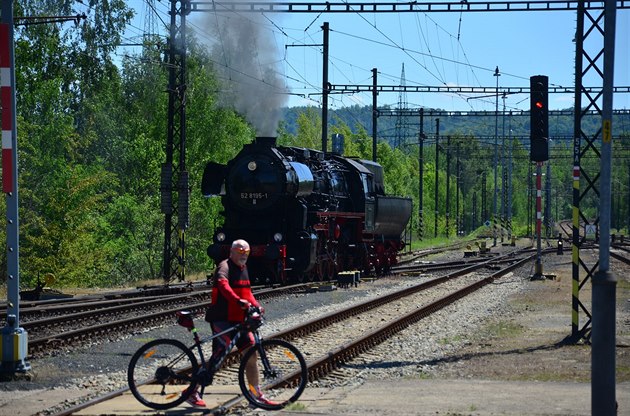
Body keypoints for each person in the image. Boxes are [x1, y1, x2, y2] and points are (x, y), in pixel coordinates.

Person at [185, 239, 275, 408]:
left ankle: (255, 395)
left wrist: (256, 306)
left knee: (251, 355)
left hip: (240, 321)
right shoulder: (224, 266)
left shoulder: (243, 268)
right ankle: (192, 391)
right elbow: (222, 285)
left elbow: (247, 293)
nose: (244, 256)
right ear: (232, 252)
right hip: (222, 318)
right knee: (219, 356)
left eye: (246, 253)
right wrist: (237, 301)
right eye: (241, 252)